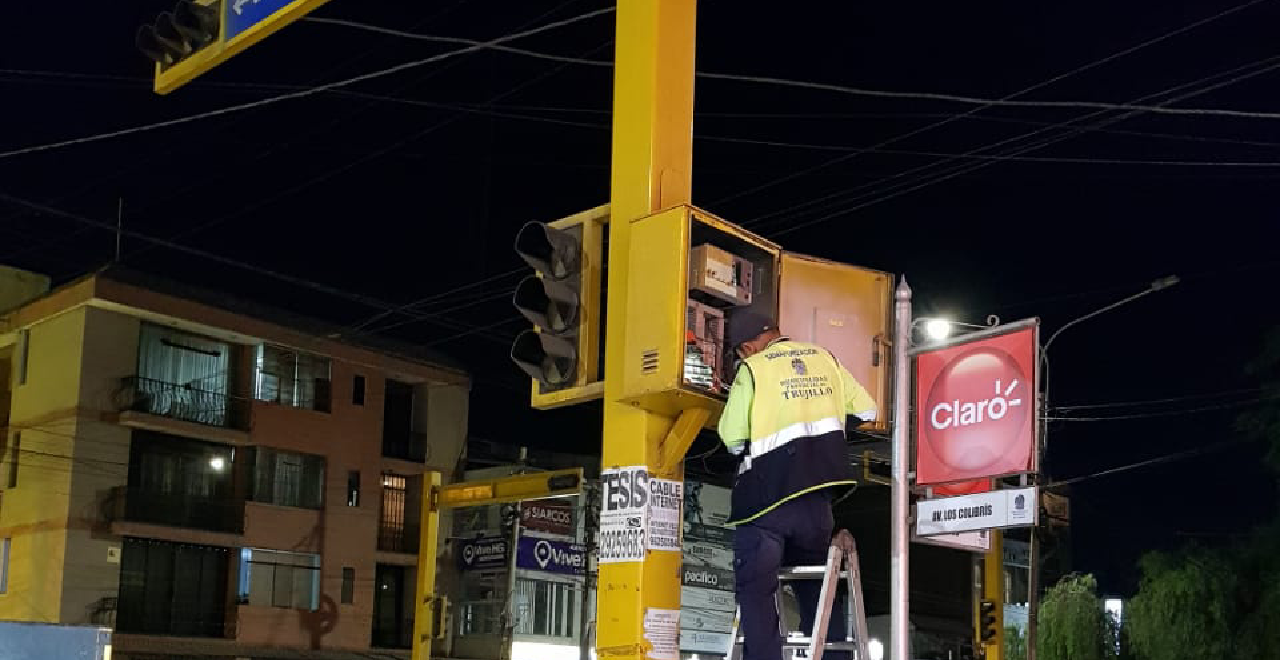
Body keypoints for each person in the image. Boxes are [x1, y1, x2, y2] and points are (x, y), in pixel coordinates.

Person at [717, 311, 877, 660]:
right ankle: (834, 656)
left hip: (764, 504)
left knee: (757, 590)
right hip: (816, 504)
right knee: (815, 589)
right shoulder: (825, 358)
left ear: (747, 347)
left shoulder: (754, 370)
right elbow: (867, 410)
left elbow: (731, 437)